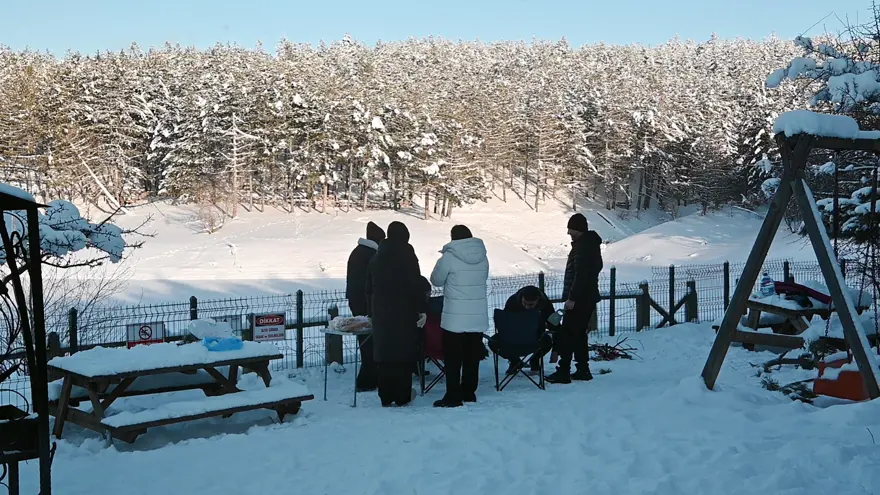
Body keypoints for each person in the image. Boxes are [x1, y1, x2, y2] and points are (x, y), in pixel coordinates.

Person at [366, 221, 426, 407]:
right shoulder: (408, 256)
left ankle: (385, 395)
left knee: (385, 353)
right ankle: (402, 395)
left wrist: (371, 311)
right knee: (403, 353)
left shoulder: (376, 257)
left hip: (382, 312)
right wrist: (421, 308)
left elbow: (369, 288)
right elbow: (415, 284)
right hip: (404, 311)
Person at [430, 225, 490, 408]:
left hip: (455, 317)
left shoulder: (448, 258)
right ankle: (469, 392)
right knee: (472, 356)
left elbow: (436, 280)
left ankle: (453, 396)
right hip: (477, 316)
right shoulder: (483, 257)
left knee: (453, 358)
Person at [546, 213, 603, 384]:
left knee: (568, 334)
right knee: (579, 335)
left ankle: (563, 371)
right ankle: (583, 369)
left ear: (577, 229)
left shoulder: (582, 247)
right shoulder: (591, 245)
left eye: (570, 229)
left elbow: (580, 275)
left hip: (580, 299)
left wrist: (572, 298)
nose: (568, 233)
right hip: (589, 297)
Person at [345, 221, 385, 392]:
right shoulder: (371, 256)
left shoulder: (359, 252)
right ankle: (367, 380)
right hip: (366, 303)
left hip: (357, 301)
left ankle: (369, 378)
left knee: (366, 342)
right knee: (369, 341)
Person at [500, 285, 560, 374]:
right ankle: (515, 362)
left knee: (547, 341)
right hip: (514, 336)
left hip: (536, 337)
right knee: (494, 343)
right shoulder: (512, 302)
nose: (527, 307)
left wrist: (556, 350)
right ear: (521, 299)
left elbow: (556, 327)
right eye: (524, 303)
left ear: (538, 300)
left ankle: (535, 360)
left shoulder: (546, 304)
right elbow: (504, 324)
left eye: (531, 304)